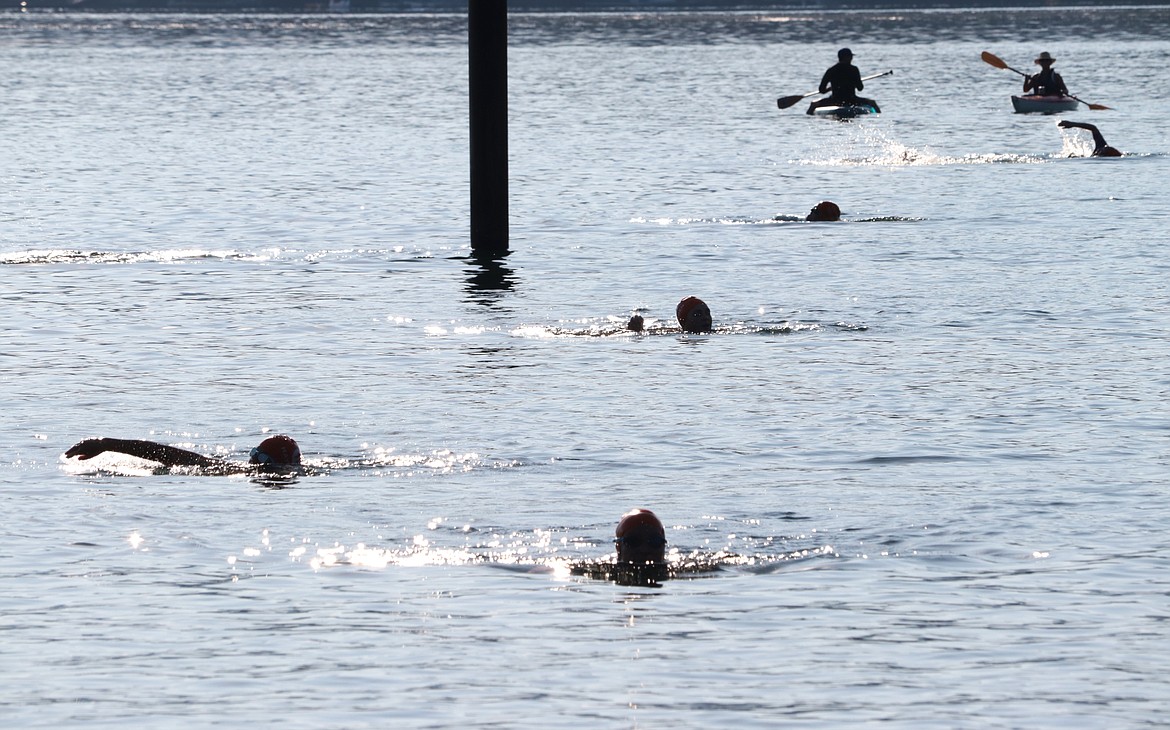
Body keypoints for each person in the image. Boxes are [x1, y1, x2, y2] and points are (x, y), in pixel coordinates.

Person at [64, 434, 303, 474]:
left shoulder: (234, 471)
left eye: (257, 456)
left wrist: (106, 443)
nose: (250, 459)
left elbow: (166, 454)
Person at [807, 48, 880, 115]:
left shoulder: (831, 70)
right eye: (850, 57)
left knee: (813, 104)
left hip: (835, 100)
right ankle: (879, 116)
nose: (852, 58)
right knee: (872, 102)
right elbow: (860, 88)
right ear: (846, 57)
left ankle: (808, 118)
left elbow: (821, 90)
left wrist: (830, 88)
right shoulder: (854, 69)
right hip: (852, 100)